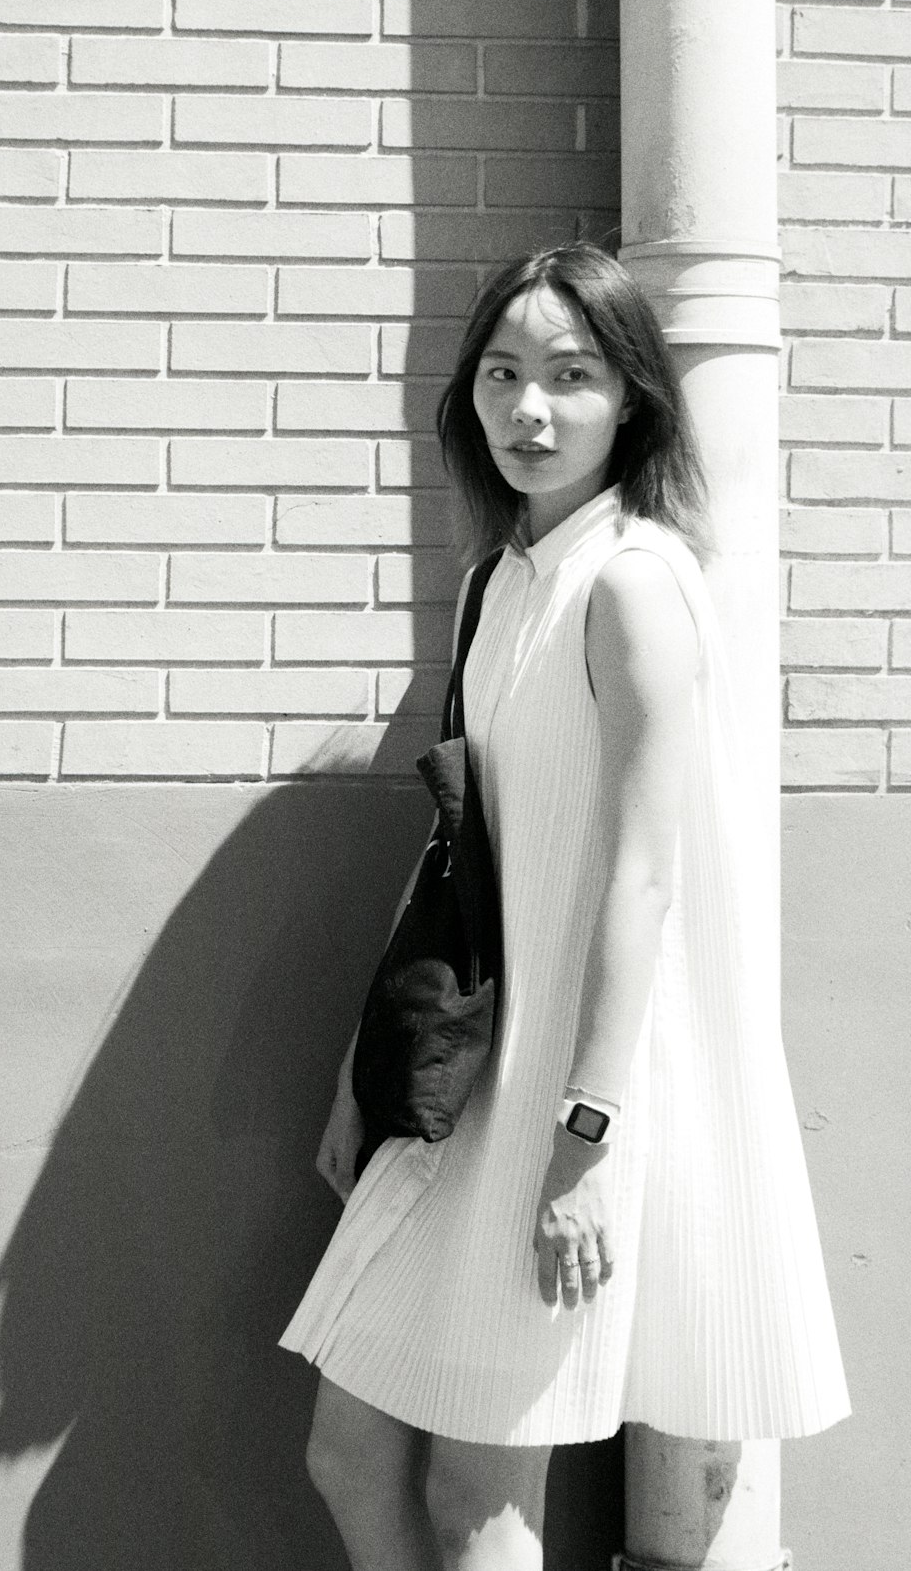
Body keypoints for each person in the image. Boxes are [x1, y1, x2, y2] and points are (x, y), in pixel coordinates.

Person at [279, 243, 849, 1571]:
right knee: (352, 1452)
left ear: (632, 400)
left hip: (576, 1093)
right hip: (468, 1076)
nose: (529, 408)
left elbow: (648, 876)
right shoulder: (499, 581)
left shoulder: (637, 583)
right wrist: (365, 1074)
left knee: (478, 1493)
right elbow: (464, 844)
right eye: (503, 374)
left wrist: (588, 1136)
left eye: (571, 376)